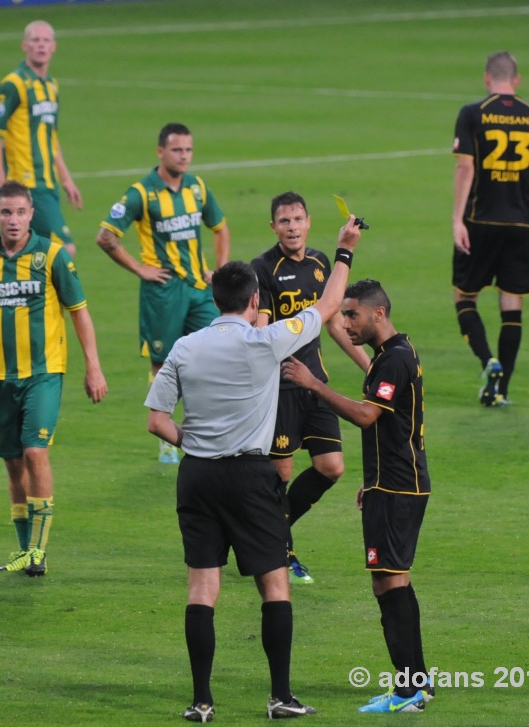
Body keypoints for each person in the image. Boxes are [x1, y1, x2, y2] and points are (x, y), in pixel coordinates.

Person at [145, 214, 362, 722]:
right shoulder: (267, 342)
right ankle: (280, 697)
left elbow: (157, 422)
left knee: (202, 587)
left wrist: (193, 443)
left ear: (216, 300)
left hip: (197, 475)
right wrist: (345, 251)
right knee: (274, 584)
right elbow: (328, 306)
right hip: (250, 475)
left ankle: (201, 701)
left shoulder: (184, 347)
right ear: (254, 302)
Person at [281, 279, 431, 714]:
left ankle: (407, 693)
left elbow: (367, 416)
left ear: (378, 314)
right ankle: (418, 683)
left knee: (388, 586)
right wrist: (374, 478)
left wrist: (314, 384)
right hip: (395, 482)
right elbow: (395, 424)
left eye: (352, 315)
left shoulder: (393, 361)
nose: (345, 323)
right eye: (344, 315)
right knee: (396, 581)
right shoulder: (395, 354)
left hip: (398, 488)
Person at [0, 181, 107, 577]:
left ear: (32, 215)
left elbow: (79, 311)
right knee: (13, 464)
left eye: (21, 212)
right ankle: (25, 547)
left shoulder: (52, 256)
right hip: (1, 376)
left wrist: (92, 365)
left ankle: (38, 552)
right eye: (6, 212)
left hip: (45, 372)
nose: (14, 220)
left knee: (35, 452)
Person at [252, 192, 370, 586]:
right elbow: (262, 328)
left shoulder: (322, 263)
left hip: (315, 382)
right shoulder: (263, 268)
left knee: (331, 467)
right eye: (284, 221)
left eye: (298, 219)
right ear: (273, 227)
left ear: (309, 221)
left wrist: (369, 364)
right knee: (280, 472)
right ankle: (281, 551)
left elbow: (332, 321)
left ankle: (265, 536)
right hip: (282, 385)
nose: (292, 227)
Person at [97, 122, 230, 464]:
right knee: (163, 363)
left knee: (215, 350)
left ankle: (207, 427)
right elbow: (106, 236)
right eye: (177, 150)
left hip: (199, 290)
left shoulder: (197, 188)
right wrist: (140, 269)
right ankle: (166, 437)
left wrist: (220, 270)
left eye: (188, 150)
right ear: (160, 152)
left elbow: (220, 227)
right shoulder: (141, 193)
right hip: (162, 292)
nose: (184, 156)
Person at [452, 50, 529, 406]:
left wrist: (456, 219)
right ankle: (501, 391)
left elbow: (465, 168)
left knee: (465, 296)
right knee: (512, 305)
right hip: (521, 225)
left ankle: (487, 360)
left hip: (479, 221)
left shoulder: (472, 113)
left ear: (486, 78)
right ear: (517, 80)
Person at [0, 20, 81, 256]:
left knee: (31, 250)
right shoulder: (13, 84)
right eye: (35, 40)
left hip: (48, 183)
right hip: (25, 182)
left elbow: (50, 137)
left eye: (46, 40)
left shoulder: (51, 86)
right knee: (64, 248)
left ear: (54, 46)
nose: (41, 45)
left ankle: (19, 290)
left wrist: (66, 179)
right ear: (24, 45)